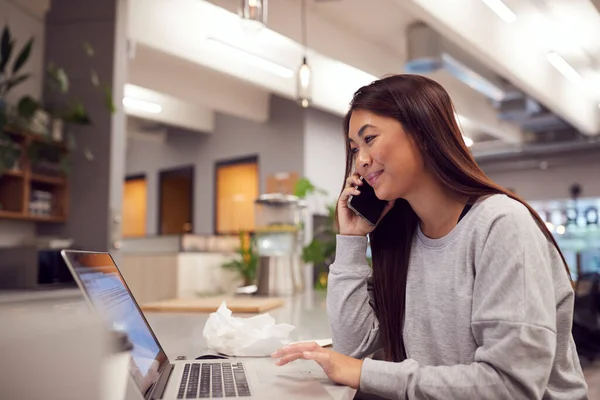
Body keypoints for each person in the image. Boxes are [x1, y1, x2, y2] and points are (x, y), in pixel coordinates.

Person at [271, 74, 589, 399]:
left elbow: (512, 386)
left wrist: (364, 373)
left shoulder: (502, 224)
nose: (361, 161)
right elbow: (354, 349)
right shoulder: (403, 238)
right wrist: (352, 240)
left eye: (370, 139)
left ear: (422, 133)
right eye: (355, 149)